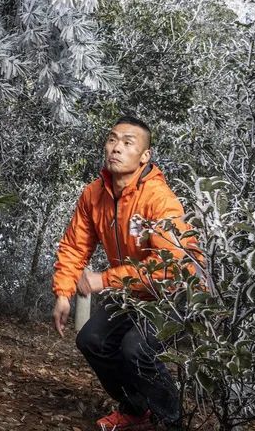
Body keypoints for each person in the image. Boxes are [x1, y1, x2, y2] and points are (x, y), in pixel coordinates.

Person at [52, 117, 196, 431]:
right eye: (112, 139)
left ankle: (170, 421)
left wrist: (104, 279)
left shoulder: (159, 199)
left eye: (128, 143)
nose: (117, 147)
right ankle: (135, 409)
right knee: (91, 339)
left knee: (136, 349)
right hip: (134, 291)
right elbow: (76, 246)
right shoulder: (94, 195)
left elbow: (173, 266)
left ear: (144, 156)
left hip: (174, 293)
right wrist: (63, 293)